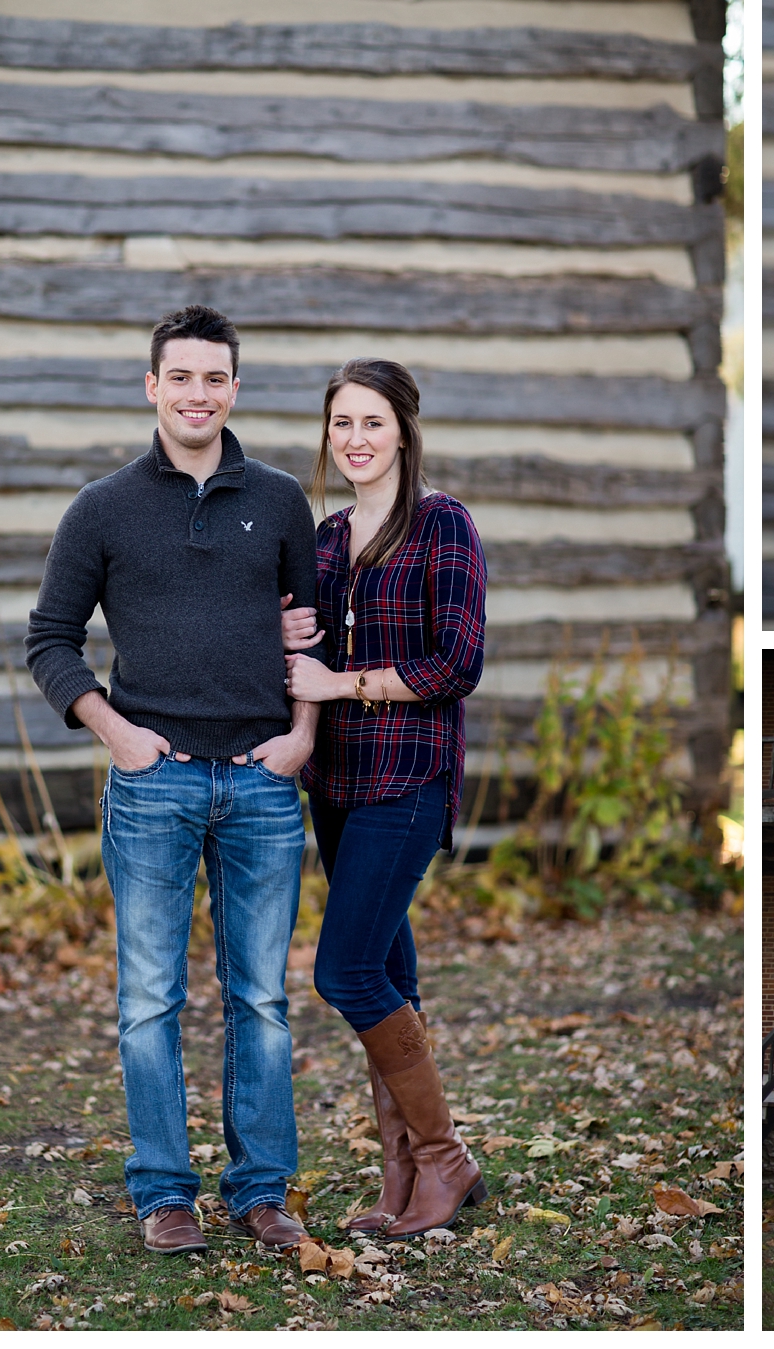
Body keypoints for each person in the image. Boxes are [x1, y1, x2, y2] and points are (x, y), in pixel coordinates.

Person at [25, 305, 321, 1255]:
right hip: (154, 783)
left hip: (263, 786)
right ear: (151, 385)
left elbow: (312, 636)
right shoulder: (102, 507)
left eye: (216, 378)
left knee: (262, 1000)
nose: (199, 394)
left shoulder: (278, 501)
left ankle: (262, 1190)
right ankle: (164, 1192)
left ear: (236, 388)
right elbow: (50, 640)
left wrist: (304, 737)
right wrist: (113, 731)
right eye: (181, 377)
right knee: (149, 997)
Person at [278, 358, 491, 1238]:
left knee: (346, 971)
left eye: (372, 422)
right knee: (390, 974)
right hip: (337, 783)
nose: (356, 440)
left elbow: (456, 664)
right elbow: (301, 661)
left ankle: (446, 1160)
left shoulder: (444, 526)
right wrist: (285, 637)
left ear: (403, 428)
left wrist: (342, 683)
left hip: (409, 777)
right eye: (341, 425)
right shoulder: (324, 540)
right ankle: (401, 1177)